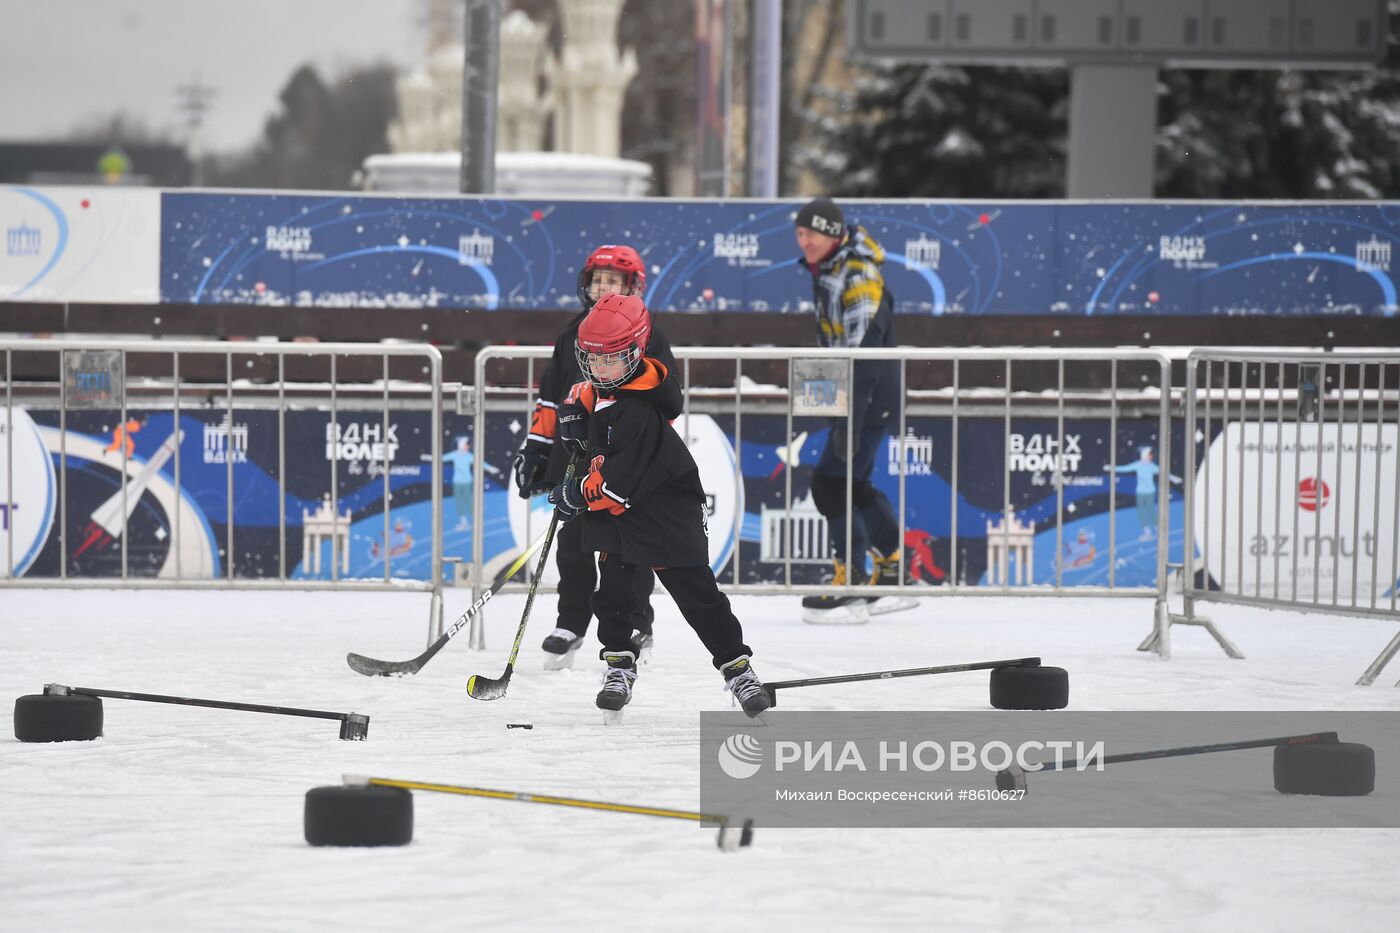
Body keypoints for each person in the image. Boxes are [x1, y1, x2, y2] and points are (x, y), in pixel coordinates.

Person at [546, 293, 772, 719]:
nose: (600, 368)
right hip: (621, 520)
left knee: (698, 596)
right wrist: (575, 434)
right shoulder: (599, 396)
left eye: (611, 360)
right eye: (592, 360)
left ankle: (738, 669)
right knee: (612, 595)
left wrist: (576, 493)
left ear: (635, 354)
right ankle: (618, 666)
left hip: (665, 516)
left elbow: (618, 480)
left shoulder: (638, 410)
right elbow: (596, 452)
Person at [511, 245, 670, 670]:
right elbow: (549, 400)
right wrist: (537, 449)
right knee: (574, 546)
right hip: (576, 462)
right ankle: (571, 623)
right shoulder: (570, 336)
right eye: (597, 279)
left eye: (613, 281)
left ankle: (636, 624)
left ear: (632, 288)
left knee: (627, 550)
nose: (602, 287)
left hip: (624, 467)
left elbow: (663, 403)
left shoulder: (648, 335)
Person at [793, 197, 910, 624]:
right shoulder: (832, 270)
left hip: (870, 396)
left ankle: (855, 579)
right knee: (849, 482)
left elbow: (864, 352)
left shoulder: (858, 273)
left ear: (831, 232)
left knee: (830, 483)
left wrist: (851, 418)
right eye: (800, 234)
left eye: (811, 233)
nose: (804, 240)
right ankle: (890, 566)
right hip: (861, 397)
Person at [1106, 446, 1182, 541]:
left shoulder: (1152, 466)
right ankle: (1147, 533)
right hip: (1140, 492)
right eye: (1149, 455)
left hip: (1149, 492)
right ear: (1144, 455)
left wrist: (1174, 479)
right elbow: (1125, 469)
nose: (1150, 457)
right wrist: (1110, 468)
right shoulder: (1138, 465)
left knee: (1150, 511)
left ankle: (1159, 530)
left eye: (1150, 455)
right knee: (1141, 513)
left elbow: (1163, 473)